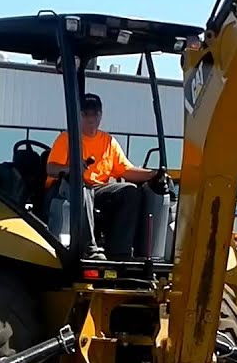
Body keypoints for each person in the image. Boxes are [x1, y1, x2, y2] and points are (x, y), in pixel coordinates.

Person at [45, 93, 159, 259]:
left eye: (95, 114)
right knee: (80, 186)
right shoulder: (66, 138)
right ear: (79, 115)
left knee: (130, 191)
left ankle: (120, 251)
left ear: (101, 115)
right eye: (86, 114)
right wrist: (73, 169)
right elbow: (51, 168)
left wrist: (153, 174)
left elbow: (125, 170)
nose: (91, 119)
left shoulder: (108, 141)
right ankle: (89, 248)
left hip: (97, 190)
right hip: (65, 190)